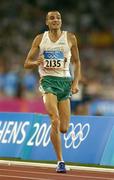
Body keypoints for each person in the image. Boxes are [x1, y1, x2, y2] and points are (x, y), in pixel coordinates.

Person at [24, 10, 81, 173]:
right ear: (46, 22)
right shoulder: (40, 38)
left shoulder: (70, 38)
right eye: (52, 18)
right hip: (48, 81)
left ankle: (55, 130)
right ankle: (60, 161)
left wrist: (75, 82)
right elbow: (26, 63)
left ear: (61, 21)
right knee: (54, 120)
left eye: (58, 18)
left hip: (65, 83)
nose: (55, 20)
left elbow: (77, 62)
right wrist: (36, 62)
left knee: (64, 128)